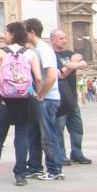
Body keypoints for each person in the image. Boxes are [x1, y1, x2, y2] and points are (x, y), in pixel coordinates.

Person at [0, 22, 41, 186]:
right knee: (22, 137)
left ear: (12, 34)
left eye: (6, 32)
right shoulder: (30, 53)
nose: (4, 35)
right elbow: (38, 77)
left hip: (5, 100)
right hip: (25, 99)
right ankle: (20, 176)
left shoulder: (1, 52)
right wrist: (37, 95)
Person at [25, 18, 63, 181]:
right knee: (34, 132)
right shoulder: (37, 49)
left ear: (32, 32)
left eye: (25, 31)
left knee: (48, 134)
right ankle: (34, 166)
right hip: (40, 98)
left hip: (47, 99)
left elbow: (52, 76)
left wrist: (41, 95)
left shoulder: (43, 50)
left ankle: (55, 168)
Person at [50, 29, 92, 165]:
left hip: (72, 98)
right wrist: (70, 67)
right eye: (61, 38)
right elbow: (60, 74)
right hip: (59, 98)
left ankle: (77, 153)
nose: (64, 40)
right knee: (59, 128)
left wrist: (73, 64)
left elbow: (84, 64)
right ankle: (61, 155)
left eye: (64, 38)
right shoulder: (51, 55)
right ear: (53, 40)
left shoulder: (69, 53)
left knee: (77, 127)